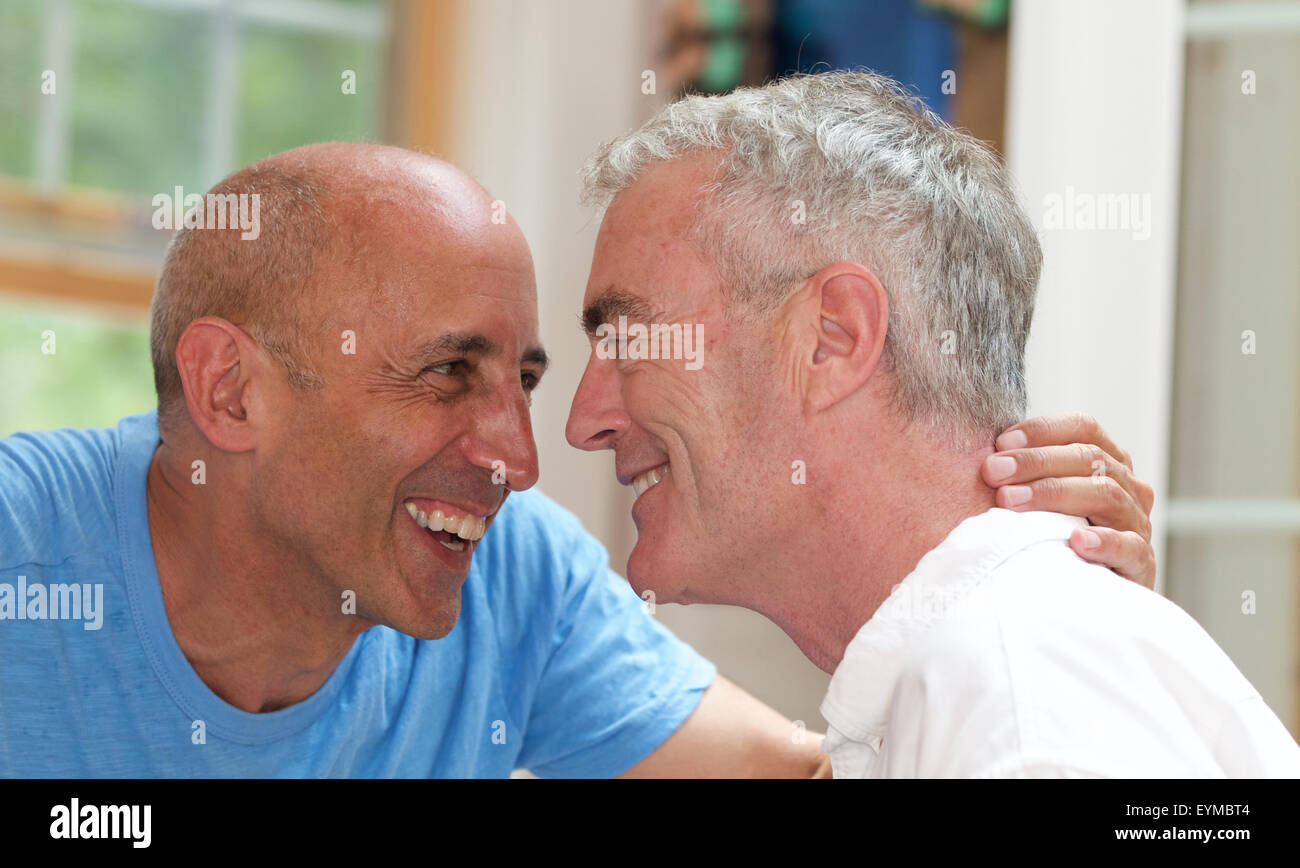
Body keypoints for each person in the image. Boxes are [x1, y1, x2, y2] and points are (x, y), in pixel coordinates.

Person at [0, 142, 1151, 777]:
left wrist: (1050, 614)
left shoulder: (514, 577)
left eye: (525, 381)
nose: (519, 457)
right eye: (448, 372)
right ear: (230, 390)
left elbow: (805, 782)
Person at [566, 71, 1300, 777]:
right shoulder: (982, 689)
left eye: (632, 340)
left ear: (834, 338)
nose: (581, 420)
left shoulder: (1017, 718)